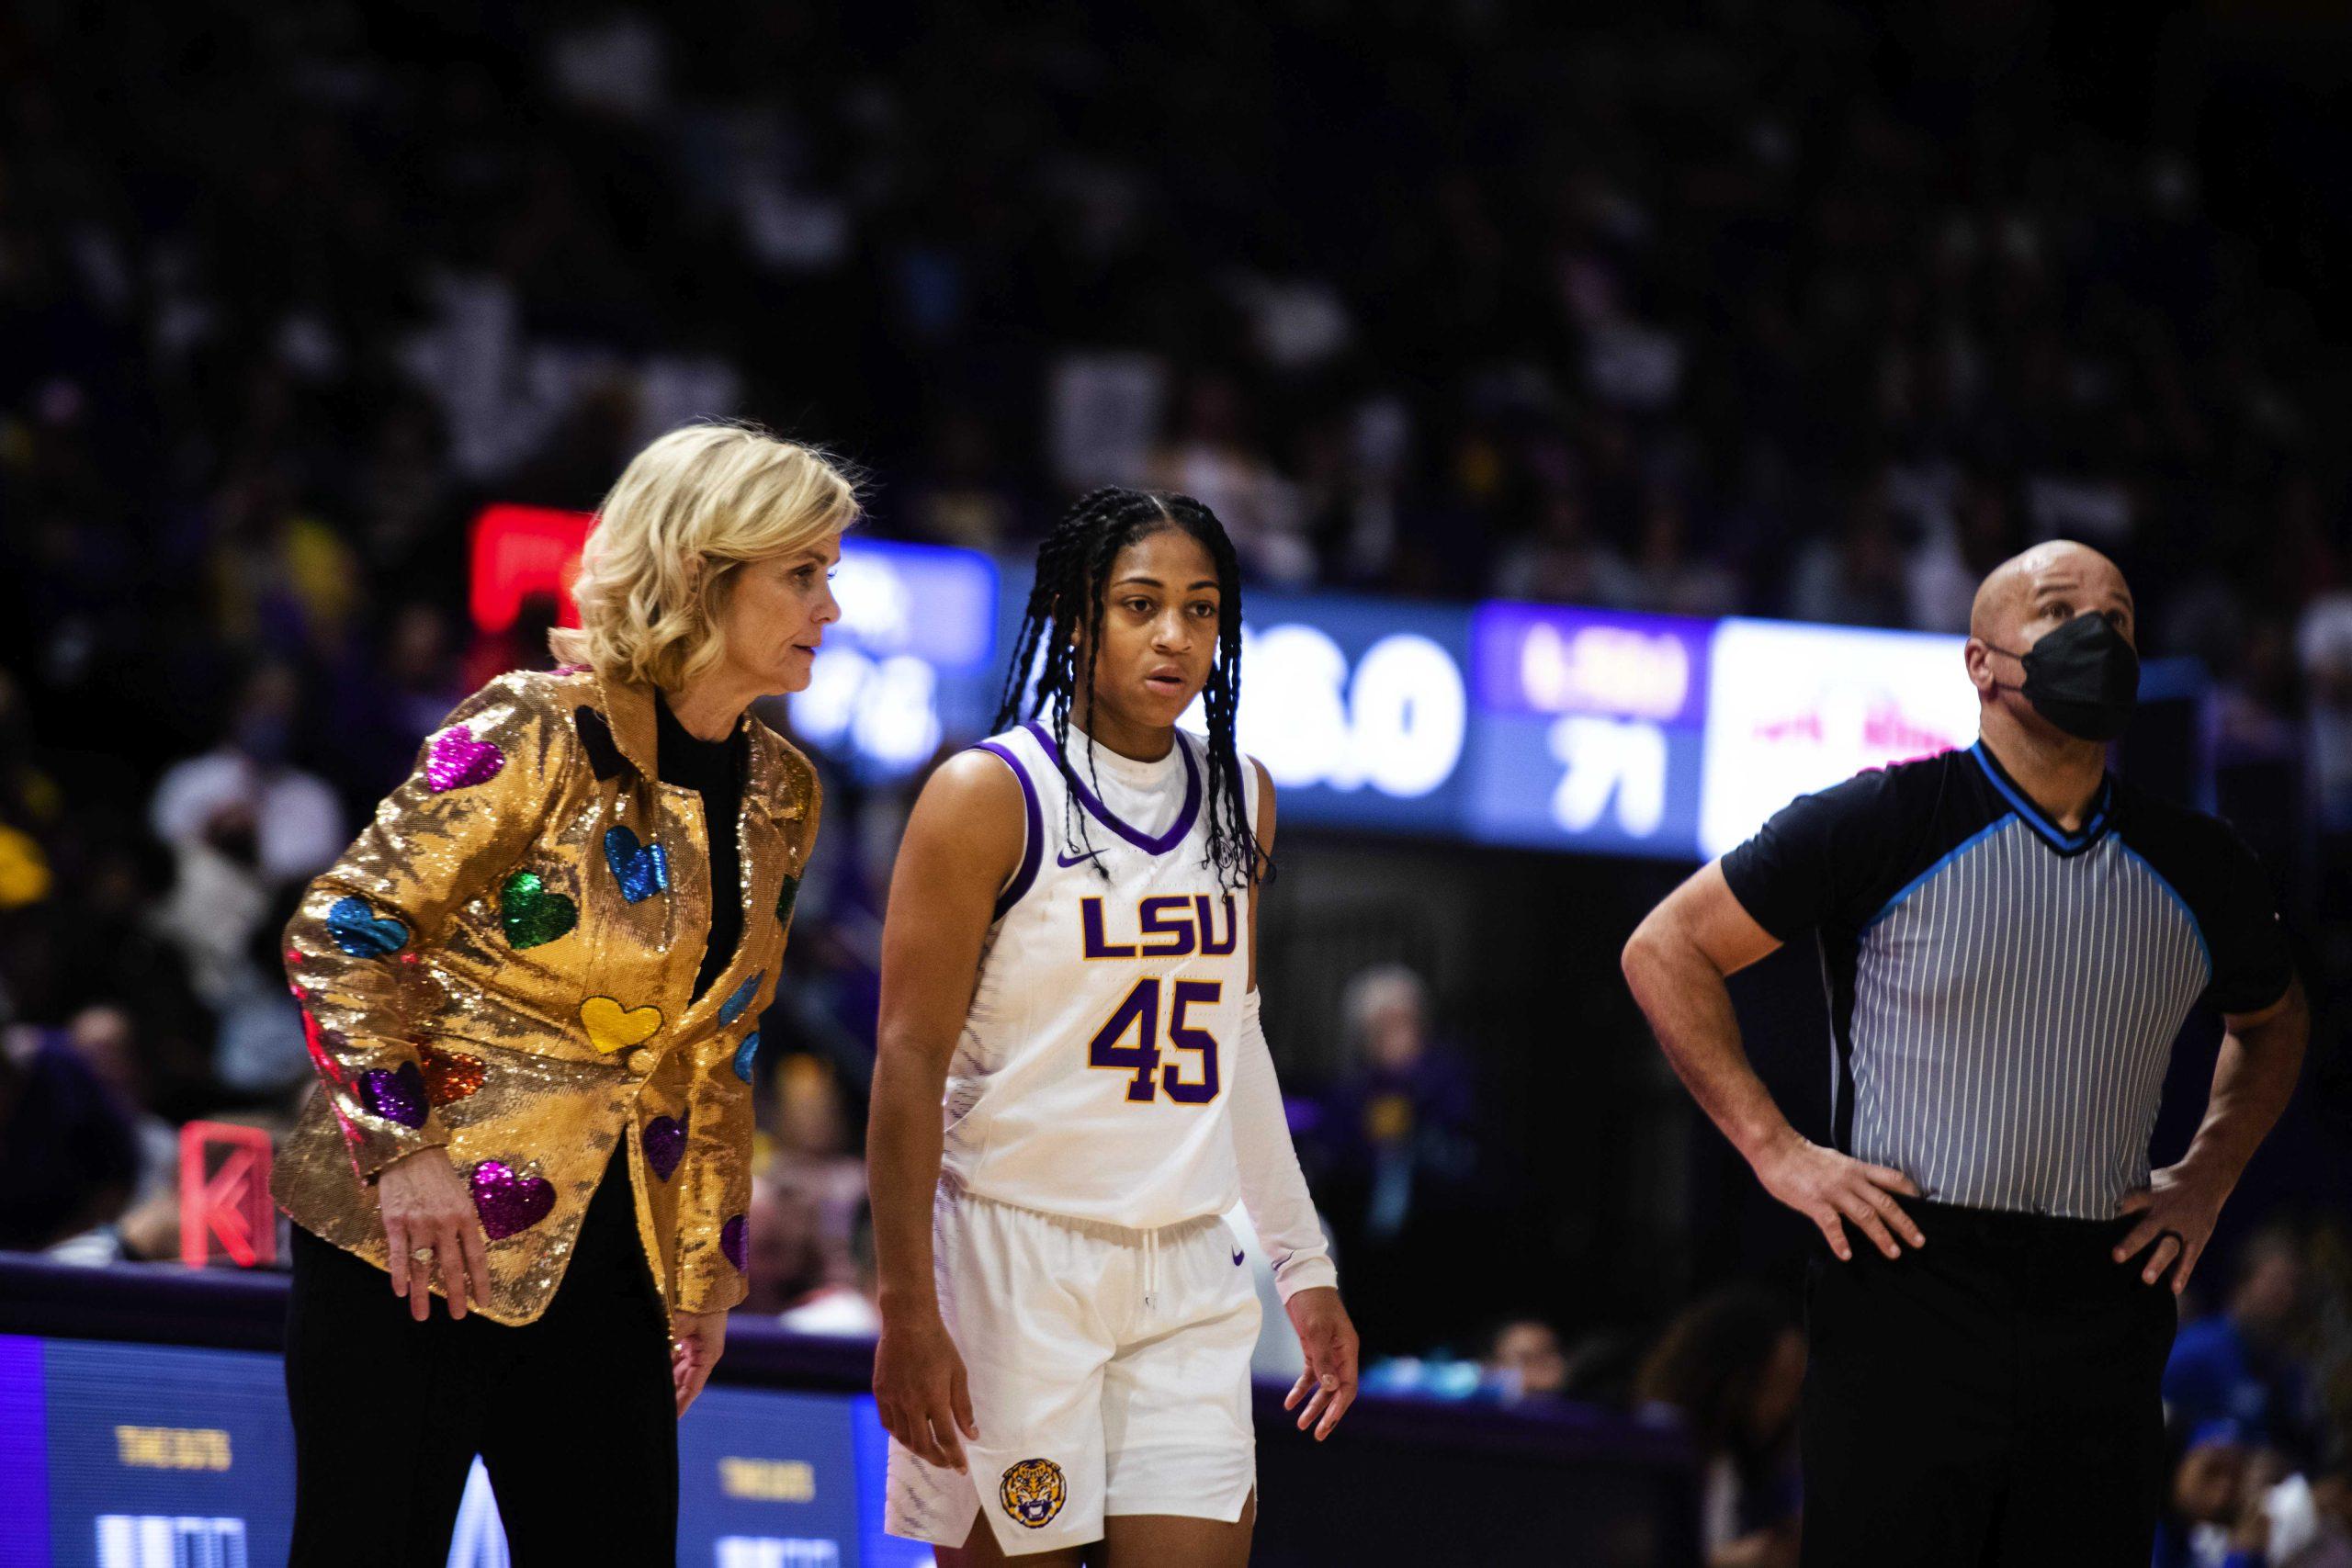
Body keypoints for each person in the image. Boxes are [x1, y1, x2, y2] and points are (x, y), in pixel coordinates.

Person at [1621, 540, 2307, 1566]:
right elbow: (1665, 946)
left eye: (2117, 616)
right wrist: (1776, 1150)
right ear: (1980, 662)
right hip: (1907, 1283)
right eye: (2060, 609)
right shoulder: (1885, 818)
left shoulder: (2201, 865)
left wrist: (2207, 1175)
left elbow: (2277, 1022)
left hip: (2103, 1294)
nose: (2097, 634)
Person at [271, 421, 852, 1565]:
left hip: (617, 1247)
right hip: (413, 1237)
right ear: (702, 569)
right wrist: (408, 1154)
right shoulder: (535, 724)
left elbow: (720, 1051)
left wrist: (705, 1276)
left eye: (827, 574)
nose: (829, 608)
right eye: (802, 574)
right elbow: (341, 929)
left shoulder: (782, 793)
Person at [867, 487, 1358, 1566]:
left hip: (1186, 1268)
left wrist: (1304, 1267)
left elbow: (1236, 1038)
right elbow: (906, 1063)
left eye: (1201, 609)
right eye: (1141, 605)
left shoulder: (1243, 796)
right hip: (1012, 1257)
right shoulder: (985, 795)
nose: (1175, 635)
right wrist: (905, 1307)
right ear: (1078, 617)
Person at [1632, 1287, 1805, 1568]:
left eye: (1798, 1388)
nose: (1788, 1404)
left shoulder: (1753, 1465)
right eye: (1778, 1384)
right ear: (1729, 1379)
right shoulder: (1655, 1446)